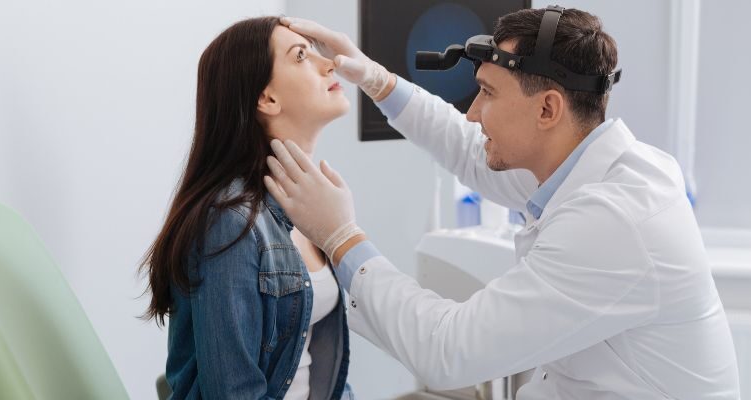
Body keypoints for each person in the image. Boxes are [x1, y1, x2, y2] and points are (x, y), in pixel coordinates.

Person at [263, 7, 741, 400]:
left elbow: (448, 351)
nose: (471, 112)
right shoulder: (585, 166)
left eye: (487, 93)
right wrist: (378, 80)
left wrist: (342, 238)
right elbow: (470, 150)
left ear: (547, 109)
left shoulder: (615, 219)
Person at [140, 16, 354, 399]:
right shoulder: (229, 222)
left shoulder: (310, 210)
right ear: (266, 98)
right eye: (302, 55)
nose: (330, 63)